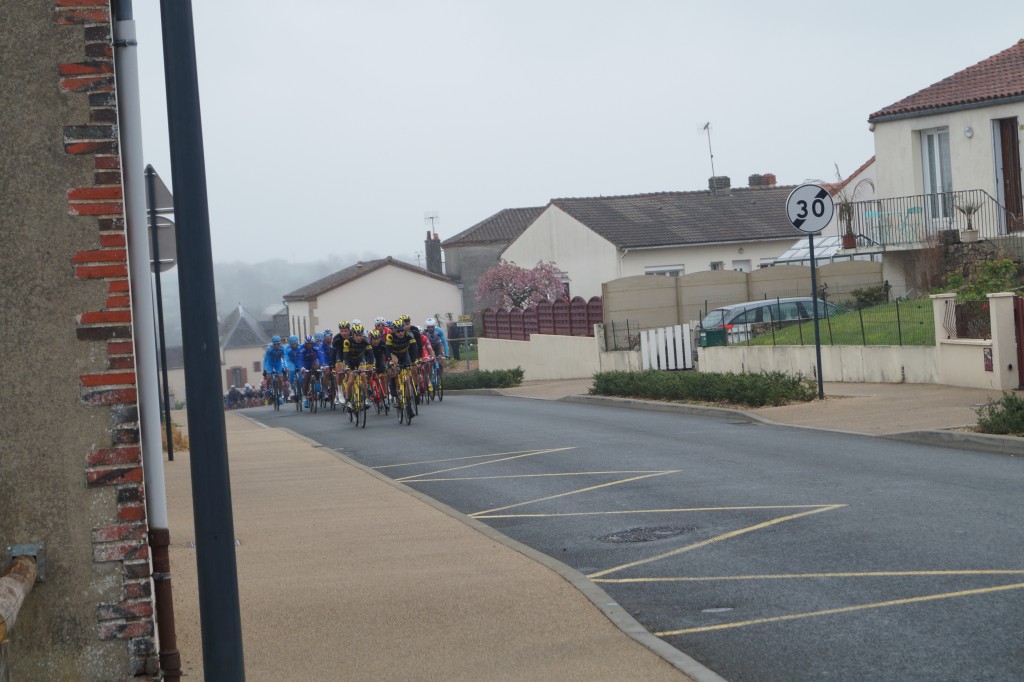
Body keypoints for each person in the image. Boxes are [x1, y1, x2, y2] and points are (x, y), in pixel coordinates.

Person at [340, 323, 375, 410]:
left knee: (363, 375)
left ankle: (365, 397)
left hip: (360, 359)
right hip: (350, 361)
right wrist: (347, 366)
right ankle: (348, 399)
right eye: (357, 335)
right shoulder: (347, 341)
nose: (359, 338)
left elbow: (371, 355)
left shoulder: (366, 341)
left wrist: (371, 365)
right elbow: (345, 356)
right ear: (353, 335)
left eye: (360, 335)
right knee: (350, 380)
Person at [298, 335, 325, 408]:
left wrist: (322, 365)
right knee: (306, 378)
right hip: (305, 363)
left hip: (313, 361)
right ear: (305, 343)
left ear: (313, 343)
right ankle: (305, 397)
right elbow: (300, 359)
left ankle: (317, 381)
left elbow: (320, 356)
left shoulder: (315, 346)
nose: (309, 345)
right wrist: (302, 367)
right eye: (307, 344)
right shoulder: (302, 349)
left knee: (317, 367)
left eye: (310, 343)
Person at [262, 335, 286, 404]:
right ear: (273, 344)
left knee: (280, 379)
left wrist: (284, 367)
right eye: (275, 344)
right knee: (268, 377)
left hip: (278, 364)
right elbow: (265, 360)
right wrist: (264, 369)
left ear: (280, 343)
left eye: (278, 344)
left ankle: (280, 394)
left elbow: (285, 359)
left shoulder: (282, 348)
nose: (276, 345)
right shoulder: (269, 349)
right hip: (270, 364)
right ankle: (268, 389)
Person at [284, 335, 302, 402]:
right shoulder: (287, 349)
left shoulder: (300, 346)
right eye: (292, 344)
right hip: (291, 362)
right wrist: (286, 366)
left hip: (299, 361)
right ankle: (292, 388)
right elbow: (285, 358)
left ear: (297, 342)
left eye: (295, 344)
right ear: (290, 343)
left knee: (301, 376)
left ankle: (302, 390)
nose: (294, 345)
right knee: (292, 371)